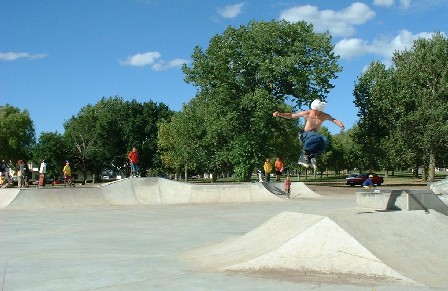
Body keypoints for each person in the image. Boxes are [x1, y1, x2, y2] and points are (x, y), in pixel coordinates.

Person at [273, 99, 345, 171]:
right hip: (304, 135)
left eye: (315, 111)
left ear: (319, 110)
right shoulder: (307, 113)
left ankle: (312, 156)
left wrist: (340, 124)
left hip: (313, 136)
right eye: (313, 110)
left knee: (324, 140)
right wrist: (280, 114)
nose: (313, 111)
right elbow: (292, 115)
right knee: (316, 136)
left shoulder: (324, 116)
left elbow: (334, 120)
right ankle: (304, 154)